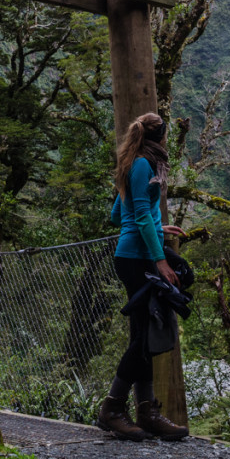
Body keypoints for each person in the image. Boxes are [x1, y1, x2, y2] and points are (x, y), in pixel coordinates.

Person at [96, 112, 189, 441]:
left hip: (135, 254)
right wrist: (160, 259)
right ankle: (112, 408)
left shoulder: (135, 163)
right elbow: (135, 213)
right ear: (162, 138)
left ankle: (147, 411)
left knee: (146, 337)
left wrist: (155, 224)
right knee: (143, 338)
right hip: (138, 260)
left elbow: (117, 214)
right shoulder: (142, 166)